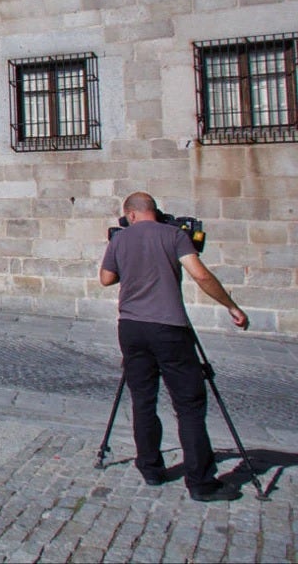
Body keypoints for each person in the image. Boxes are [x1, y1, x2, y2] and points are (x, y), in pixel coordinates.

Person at [99, 191, 249, 502]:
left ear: (131, 214)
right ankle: (201, 482)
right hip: (169, 327)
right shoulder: (174, 236)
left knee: (143, 400)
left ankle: (151, 468)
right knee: (189, 406)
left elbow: (106, 278)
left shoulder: (119, 240)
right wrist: (231, 306)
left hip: (130, 327)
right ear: (153, 211)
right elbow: (201, 275)